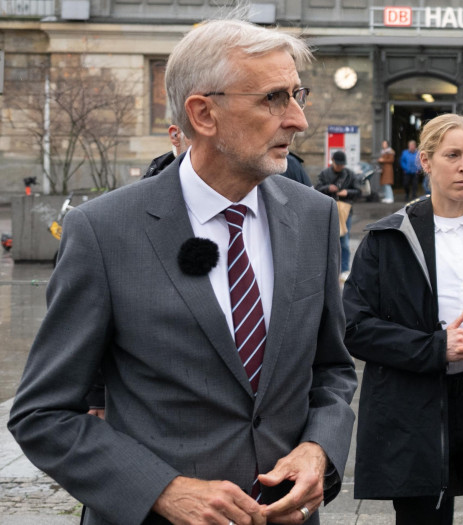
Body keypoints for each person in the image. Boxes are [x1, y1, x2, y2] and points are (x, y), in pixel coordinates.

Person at [8, 18, 358, 525]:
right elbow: (42, 414)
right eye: (273, 99)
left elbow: (332, 370)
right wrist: (162, 490)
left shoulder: (314, 216)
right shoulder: (104, 231)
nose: (299, 120)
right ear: (204, 114)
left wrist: (318, 450)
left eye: (296, 94)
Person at [343, 113, 463, 525]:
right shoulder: (387, 239)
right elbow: (353, 327)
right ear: (425, 161)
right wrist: (436, 348)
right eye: (453, 155)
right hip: (417, 407)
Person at [316, 150, 360, 279]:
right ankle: (330, 269)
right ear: (333, 162)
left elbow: (358, 191)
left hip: (345, 211)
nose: (340, 167)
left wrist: (347, 192)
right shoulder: (324, 174)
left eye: (342, 165)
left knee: (344, 241)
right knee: (329, 240)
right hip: (329, 209)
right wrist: (327, 188)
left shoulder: (350, 174)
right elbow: (317, 189)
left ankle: (345, 270)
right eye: (338, 164)